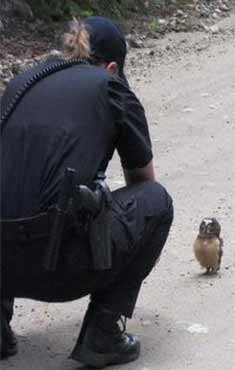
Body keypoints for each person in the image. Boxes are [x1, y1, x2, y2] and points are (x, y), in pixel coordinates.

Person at [0, 16, 174, 368]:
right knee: (157, 202)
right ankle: (104, 333)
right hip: (59, 266)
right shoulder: (111, 87)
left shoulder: (19, 84)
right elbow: (143, 181)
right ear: (112, 67)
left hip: (2, 263)